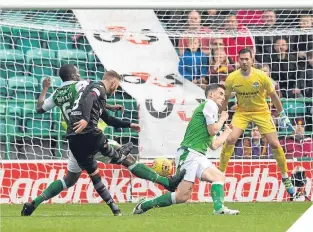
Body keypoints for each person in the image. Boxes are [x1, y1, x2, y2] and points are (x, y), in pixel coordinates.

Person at [21, 65, 125, 216]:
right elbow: (91, 96)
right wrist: (109, 106)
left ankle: (33, 203)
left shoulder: (57, 93)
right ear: (73, 75)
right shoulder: (81, 84)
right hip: (89, 133)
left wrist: (45, 88)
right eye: (77, 72)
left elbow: (39, 108)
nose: (79, 74)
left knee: (69, 180)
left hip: (74, 140)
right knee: (121, 157)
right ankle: (165, 187)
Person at [133, 84, 239, 215]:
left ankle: (219, 208)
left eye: (224, 94)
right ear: (211, 94)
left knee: (218, 176)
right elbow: (214, 130)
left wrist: (226, 133)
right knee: (181, 197)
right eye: (221, 94)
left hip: (198, 155)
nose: (223, 97)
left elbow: (214, 145)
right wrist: (223, 119)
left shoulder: (209, 114)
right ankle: (144, 205)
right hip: (189, 153)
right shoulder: (210, 104)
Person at [219, 48, 296, 199]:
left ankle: (285, 176)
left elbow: (274, 96)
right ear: (238, 60)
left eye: (247, 59)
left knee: (274, 143)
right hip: (242, 112)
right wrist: (221, 116)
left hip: (261, 111)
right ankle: (220, 174)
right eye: (242, 59)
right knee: (230, 139)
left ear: (252, 60)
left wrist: (282, 115)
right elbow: (226, 99)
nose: (244, 62)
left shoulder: (261, 77)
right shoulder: (232, 78)